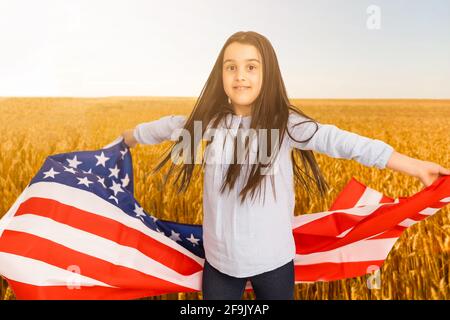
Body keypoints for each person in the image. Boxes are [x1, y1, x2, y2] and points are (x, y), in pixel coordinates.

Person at [121, 31, 450, 300]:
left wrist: (414, 166)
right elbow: (167, 127)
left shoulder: (286, 124)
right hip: (219, 264)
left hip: (275, 263)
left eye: (251, 67)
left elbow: (345, 143)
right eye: (230, 67)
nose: (240, 77)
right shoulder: (207, 124)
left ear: (268, 73)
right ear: (220, 74)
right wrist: (129, 138)